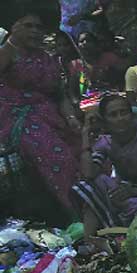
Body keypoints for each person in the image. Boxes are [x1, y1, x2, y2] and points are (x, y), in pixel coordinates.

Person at [0, 11, 82, 220]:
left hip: (51, 115)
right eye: (28, 26)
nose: (35, 31)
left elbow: (61, 96)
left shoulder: (47, 58)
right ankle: (75, 213)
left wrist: (72, 120)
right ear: (14, 27)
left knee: (86, 147)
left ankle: (95, 205)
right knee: (58, 156)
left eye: (38, 27)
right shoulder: (8, 52)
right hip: (18, 118)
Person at [73, 94, 137, 235]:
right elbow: (89, 173)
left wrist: (135, 191)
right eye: (113, 115)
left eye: (123, 112)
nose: (120, 119)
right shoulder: (106, 143)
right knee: (90, 185)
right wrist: (85, 135)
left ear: (131, 115)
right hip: (124, 199)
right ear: (105, 122)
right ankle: (90, 241)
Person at [69, 30, 129, 98]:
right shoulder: (75, 64)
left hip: (111, 96)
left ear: (96, 44)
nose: (85, 43)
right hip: (88, 101)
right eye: (81, 41)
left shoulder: (109, 57)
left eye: (88, 40)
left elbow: (124, 74)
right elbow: (73, 87)